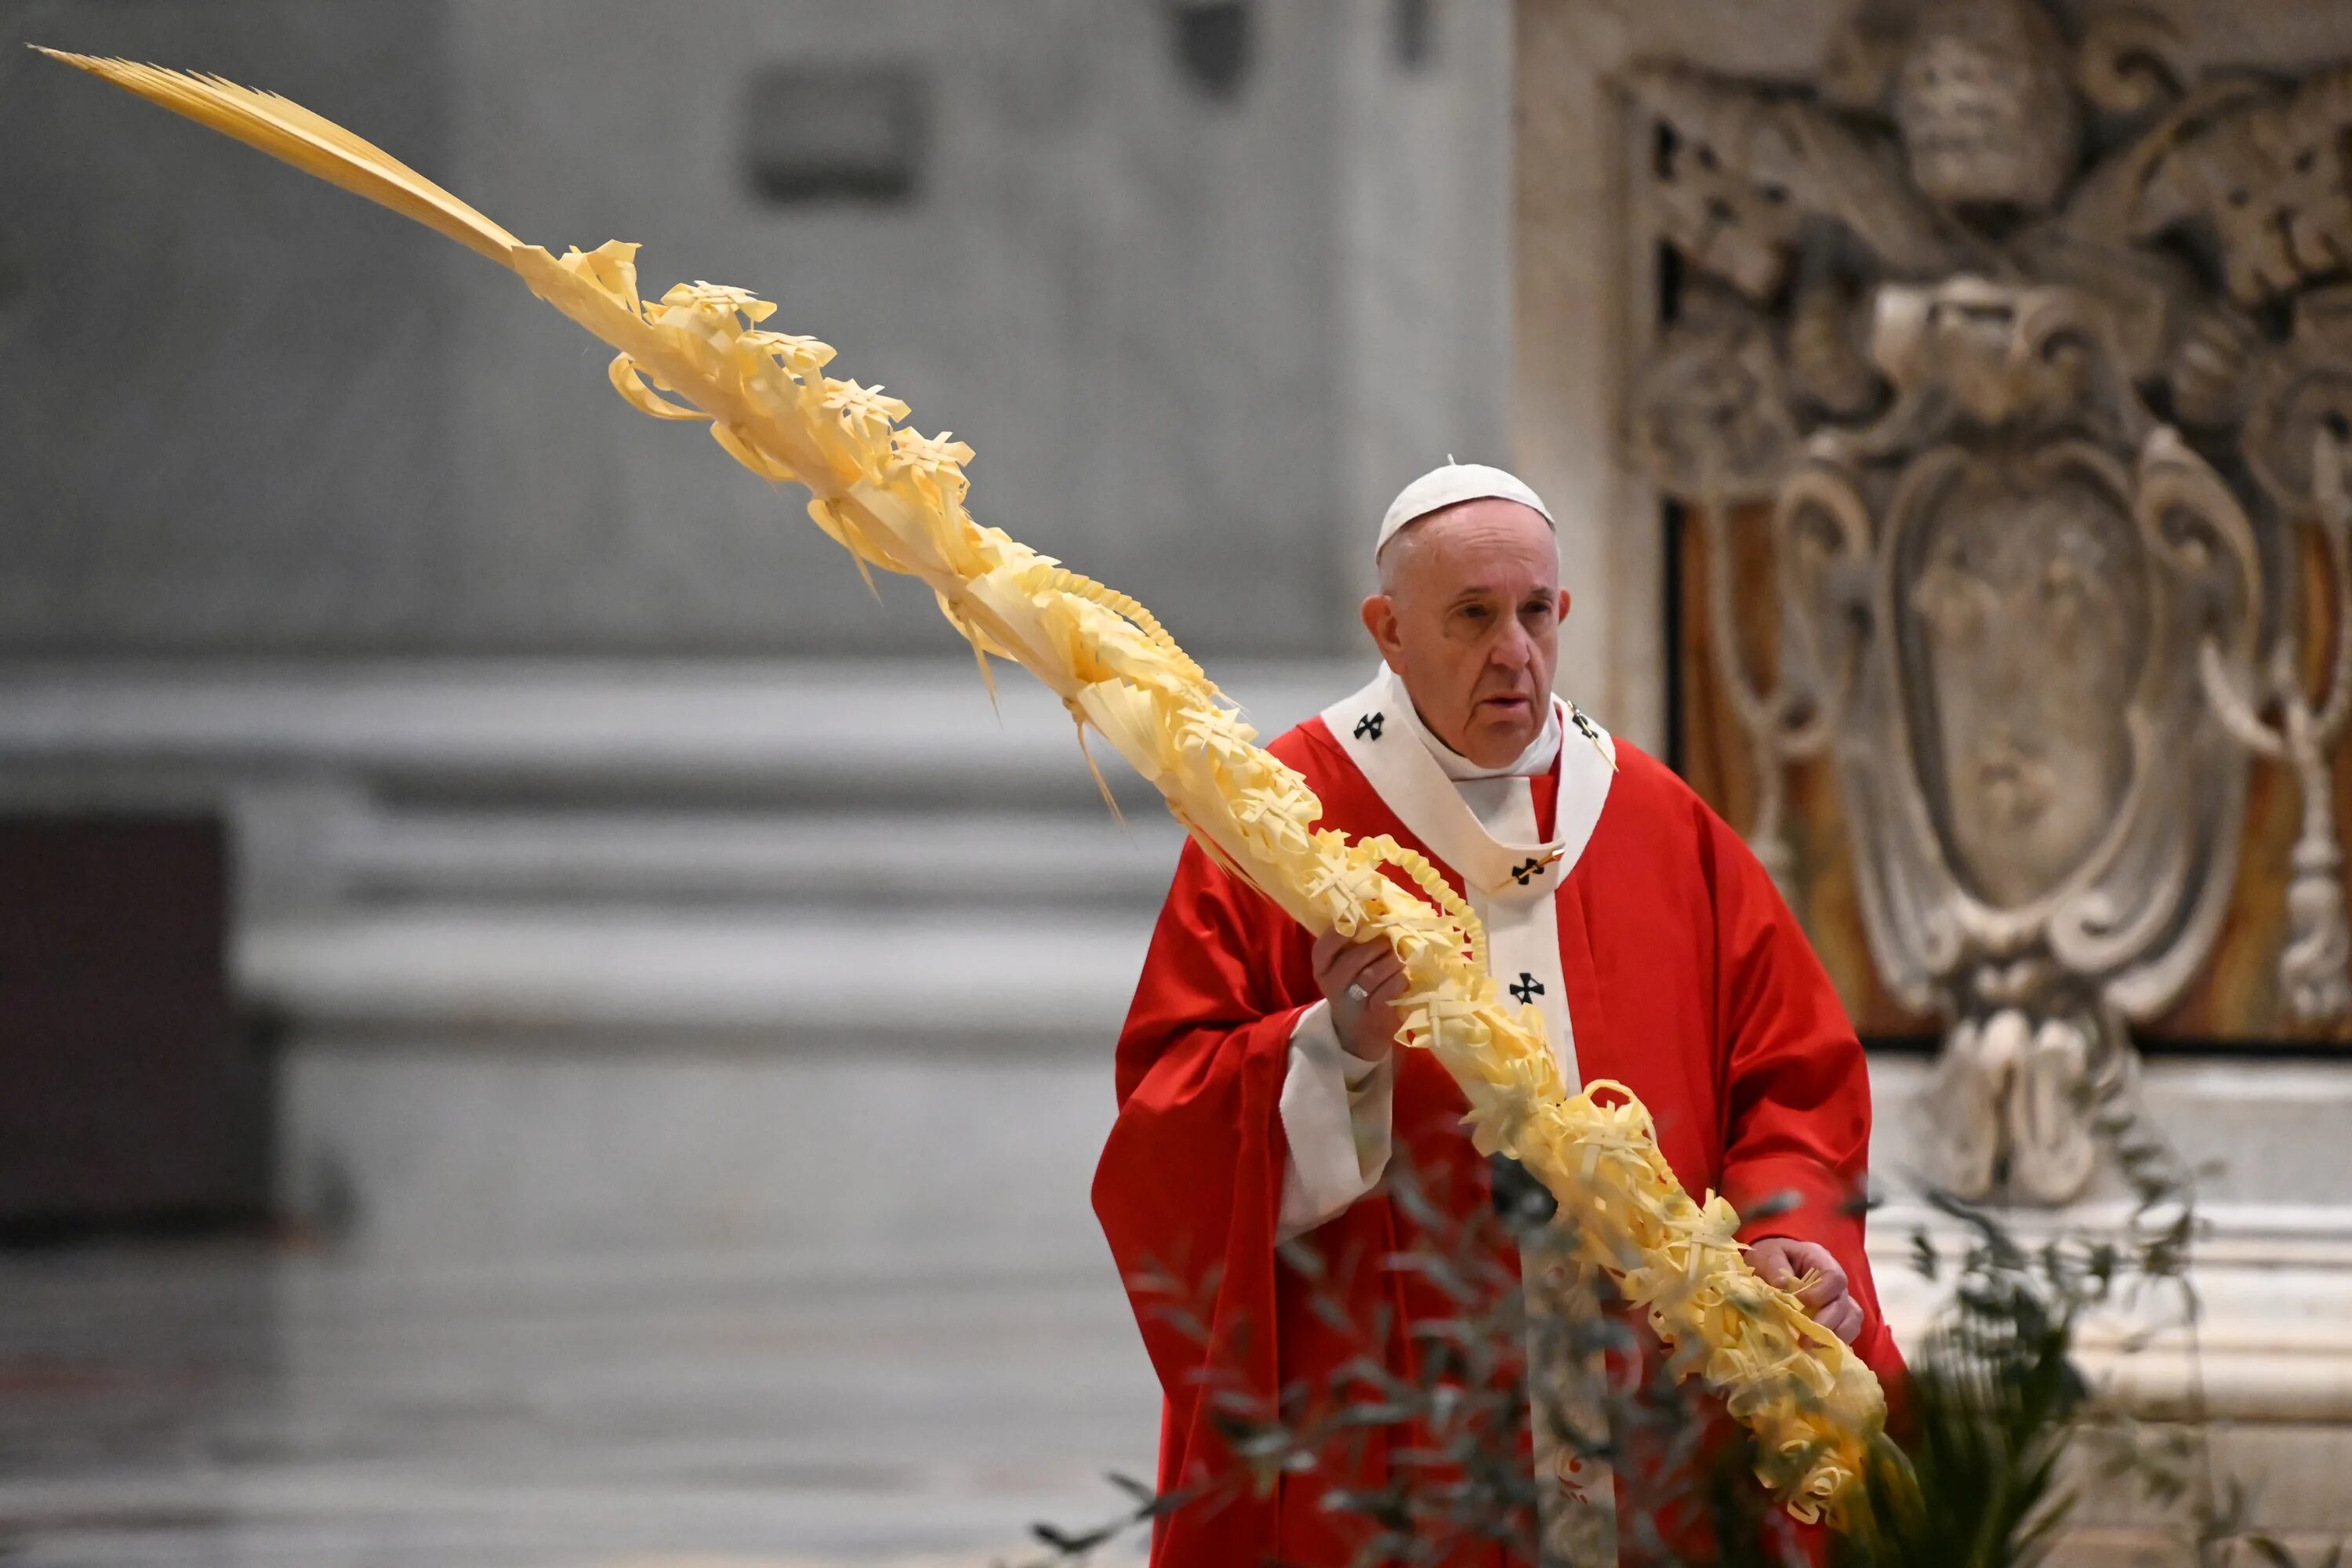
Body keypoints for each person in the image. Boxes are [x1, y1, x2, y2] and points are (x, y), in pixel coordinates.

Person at [1092, 463, 1904, 1566]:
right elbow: (1165, 1119)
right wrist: (1335, 1051)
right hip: (1403, 1427)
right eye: (1472, 616)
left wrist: (1791, 1238)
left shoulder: (1661, 825)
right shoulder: (1281, 819)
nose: (1513, 651)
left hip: (1646, 1420)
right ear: (1388, 629)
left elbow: (1793, 1082)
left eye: (1534, 613)